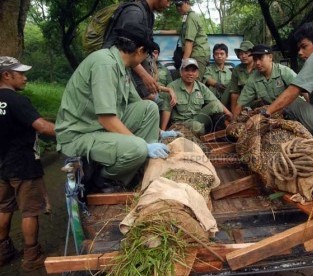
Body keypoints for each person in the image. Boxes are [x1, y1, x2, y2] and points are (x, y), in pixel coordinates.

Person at [55, 23, 180, 192]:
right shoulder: (105, 64)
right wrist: (143, 145)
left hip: (97, 125)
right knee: (138, 148)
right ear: (140, 50)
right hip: (81, 132)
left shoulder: (121, 65)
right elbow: (106, 118)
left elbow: (138, 105)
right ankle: (104, 180)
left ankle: (139, 170)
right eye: (147, 55)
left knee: (149, 108)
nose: (145, 61)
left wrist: (160, 132)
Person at [0, 57, 55, 271]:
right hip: (24, 166)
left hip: (2, 165)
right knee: (30, 211)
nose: (25, 77)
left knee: (4, 208)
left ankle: (3, 252)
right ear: (7, 75)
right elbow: (42, 127)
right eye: (20, 73)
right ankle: (32, 255)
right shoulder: (17, 101)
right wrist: (69, 132)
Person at [103, 0, 171, 100]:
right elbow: (126, 51)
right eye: (168, 0)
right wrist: (144, 76)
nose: (168, 4)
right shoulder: (135, 12)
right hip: (115, 72)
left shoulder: (149, 15)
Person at [160, 58, 233, 135]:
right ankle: (206, 134)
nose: (190, 73)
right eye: (187, 70)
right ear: (181, 72)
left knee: (216, 105)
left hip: (197, 118)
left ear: (197, 73)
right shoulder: (172, 87)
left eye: (193, 71)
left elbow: (216, 102)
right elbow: (166, 110)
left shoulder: (201, 87)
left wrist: (230, 115)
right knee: (197, 127)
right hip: (181, 122)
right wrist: (163, 131)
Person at [233, 44, 297, 118]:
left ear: (270, 57)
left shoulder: (284, 71)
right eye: (255, 59)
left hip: (294, 110)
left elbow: (302, 89)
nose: (257, 63)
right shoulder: (253, 79)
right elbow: (240, 103)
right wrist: (233, 123)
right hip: (274, 113)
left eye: (260, 58)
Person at [174, 0, 210, 79]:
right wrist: (157, 31)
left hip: (198, 54)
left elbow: (189, 42)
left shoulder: (191, 17)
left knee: (193, 82)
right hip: (195, 54)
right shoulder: (187, 17)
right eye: (176, 6)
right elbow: (178, 31)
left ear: (187, 2)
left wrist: (183, 65)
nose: (178, 8)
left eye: (180, 5)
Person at [228, 40, 255, 114]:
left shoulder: (259, 67)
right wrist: (234, 113)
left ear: (253, 54)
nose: (243, 56)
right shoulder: (237, 70)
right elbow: (234, 93)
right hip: (243, 104)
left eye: (246, 53)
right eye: (241, 54)